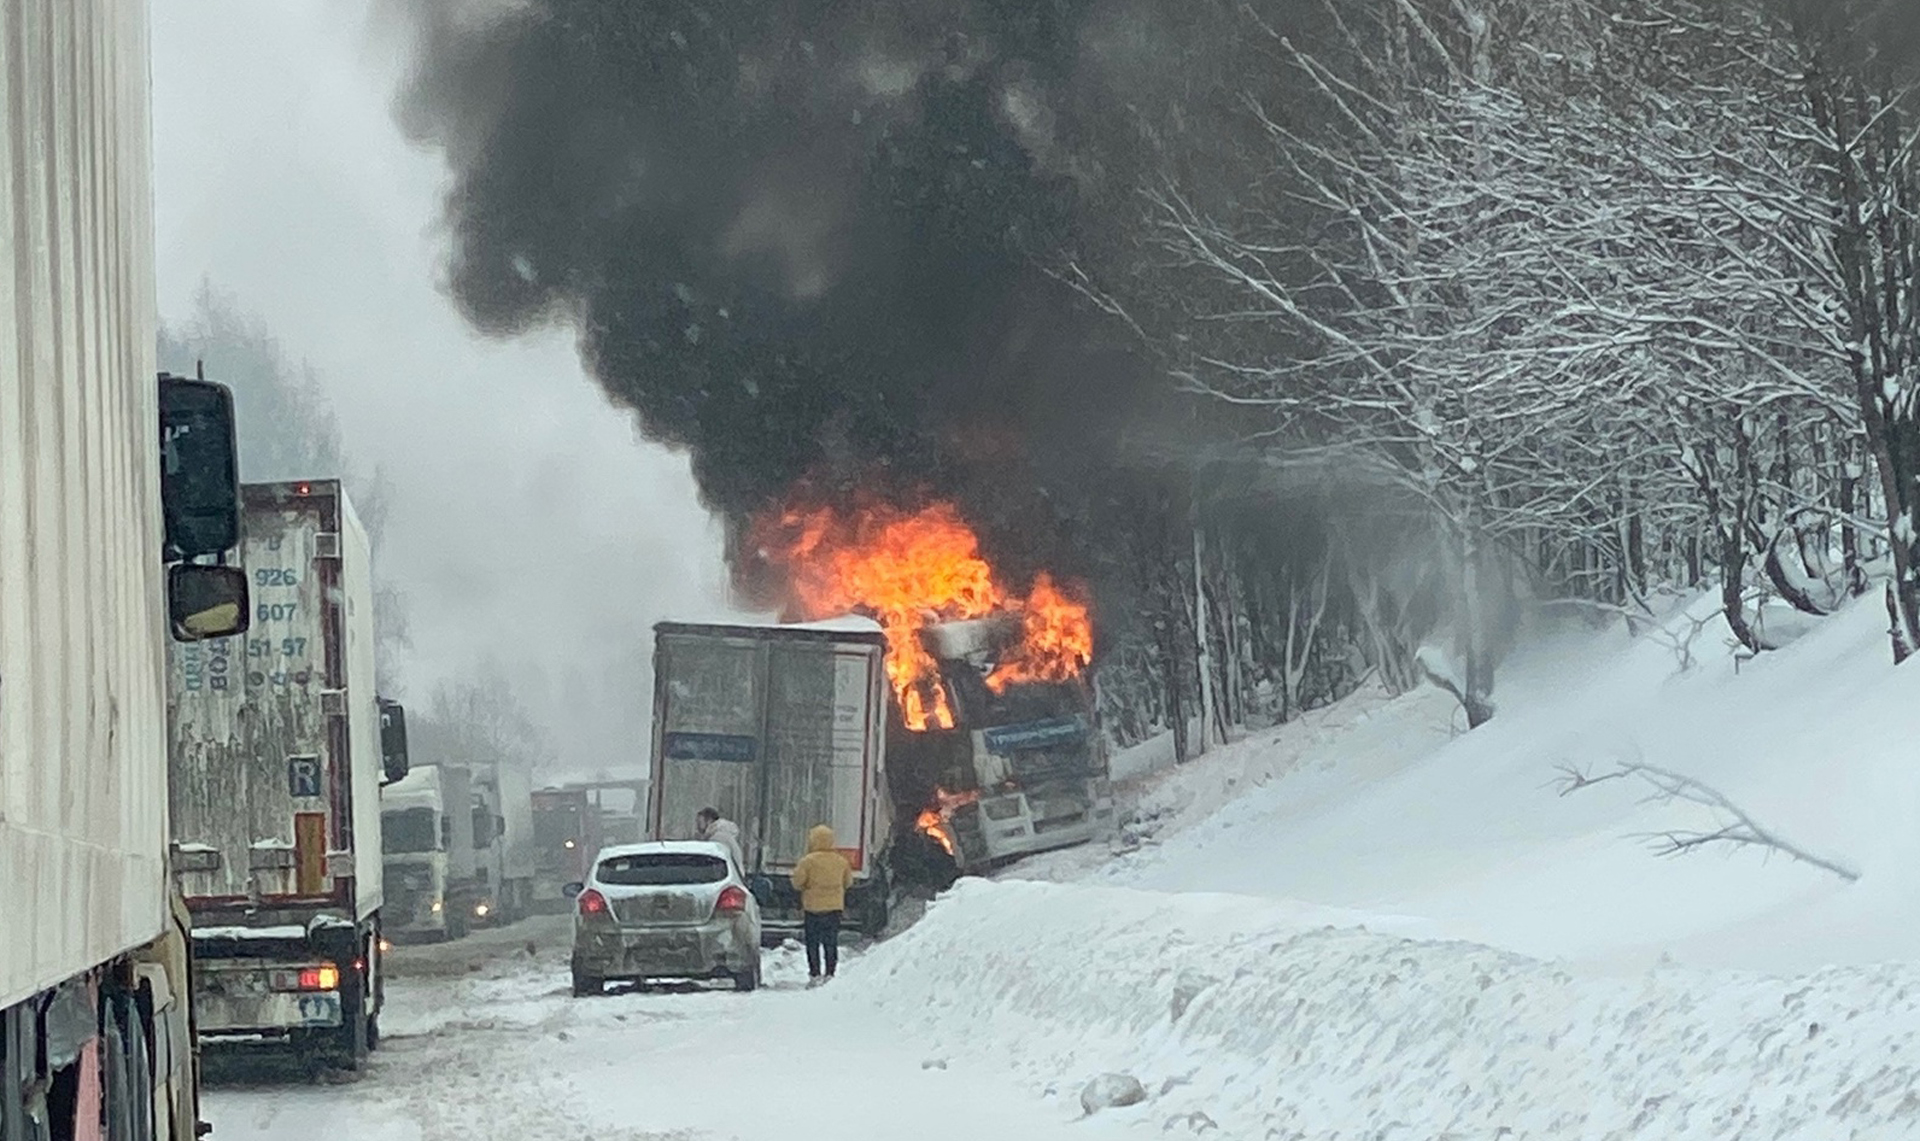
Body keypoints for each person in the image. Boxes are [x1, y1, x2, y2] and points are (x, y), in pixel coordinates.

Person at [790, 824, 853, 986]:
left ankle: (815, 974)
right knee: (830, 942)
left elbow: (797, 883)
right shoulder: (841, 861)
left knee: (813, 942)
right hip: (834, 908)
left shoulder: (807, 861)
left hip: (813, 908)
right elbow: (848, 882)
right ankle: (830, 973)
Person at [694, 807, 744, 873]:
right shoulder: (724, 835)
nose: (697, 827)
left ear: (709, 821)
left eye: (699, 823)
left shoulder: (718, 838)